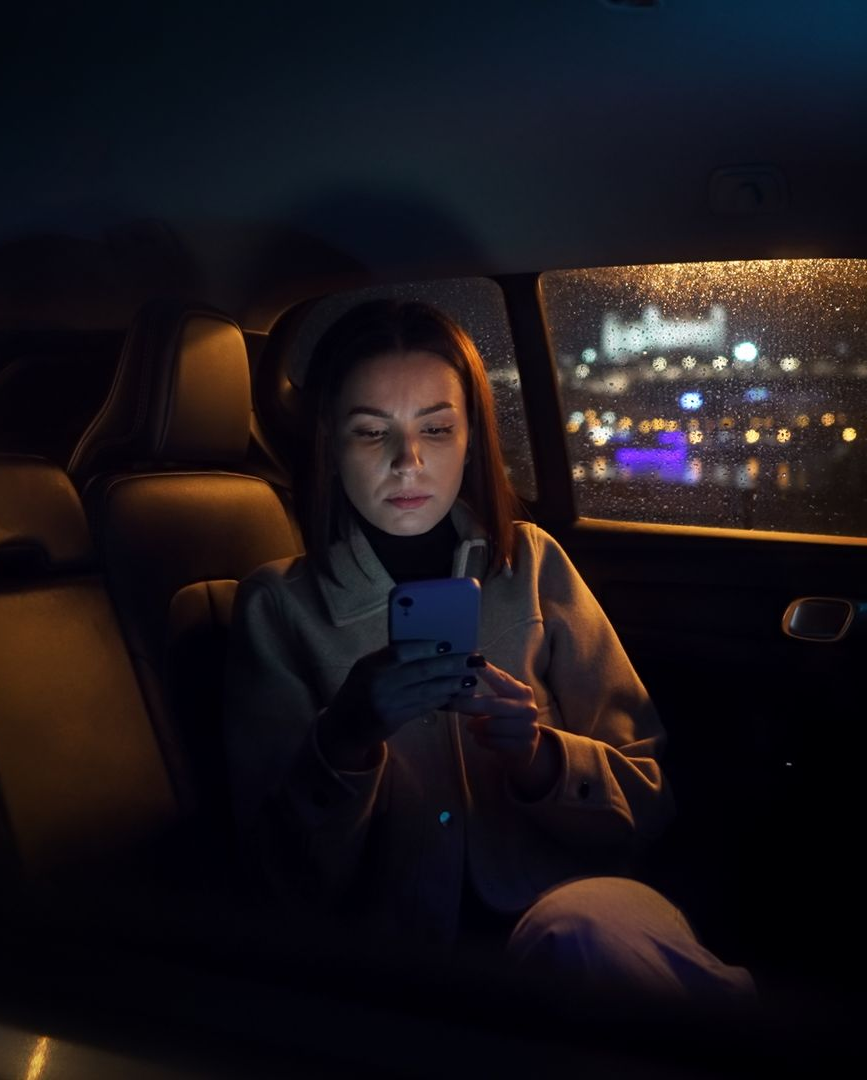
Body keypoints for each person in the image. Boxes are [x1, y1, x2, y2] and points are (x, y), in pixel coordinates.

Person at [223, 298, 754, 1004]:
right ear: (329, 442)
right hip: (402, 977)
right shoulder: (279, 609)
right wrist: (344, 741)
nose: (407, 462)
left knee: (581, 934)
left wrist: (540, 760)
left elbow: (649, 800)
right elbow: (273, 883)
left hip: (579, 918)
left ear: (472, 436)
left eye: (436, 428)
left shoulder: (532, 564)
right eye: (370, 432)